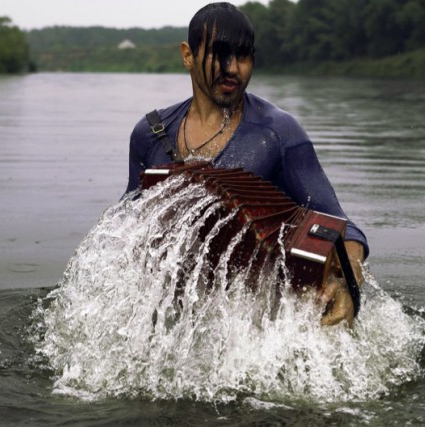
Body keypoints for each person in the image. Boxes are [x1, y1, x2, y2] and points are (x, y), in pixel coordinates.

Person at [123, 2, 368, 327]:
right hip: (180, 313)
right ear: (187, 55)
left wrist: (347, 283)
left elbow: (341, 227)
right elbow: (128, 219)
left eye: (243, 56)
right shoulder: (150, 133)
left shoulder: (278, 133)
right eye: (220, 54)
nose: (233, 68)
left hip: (258, 317)